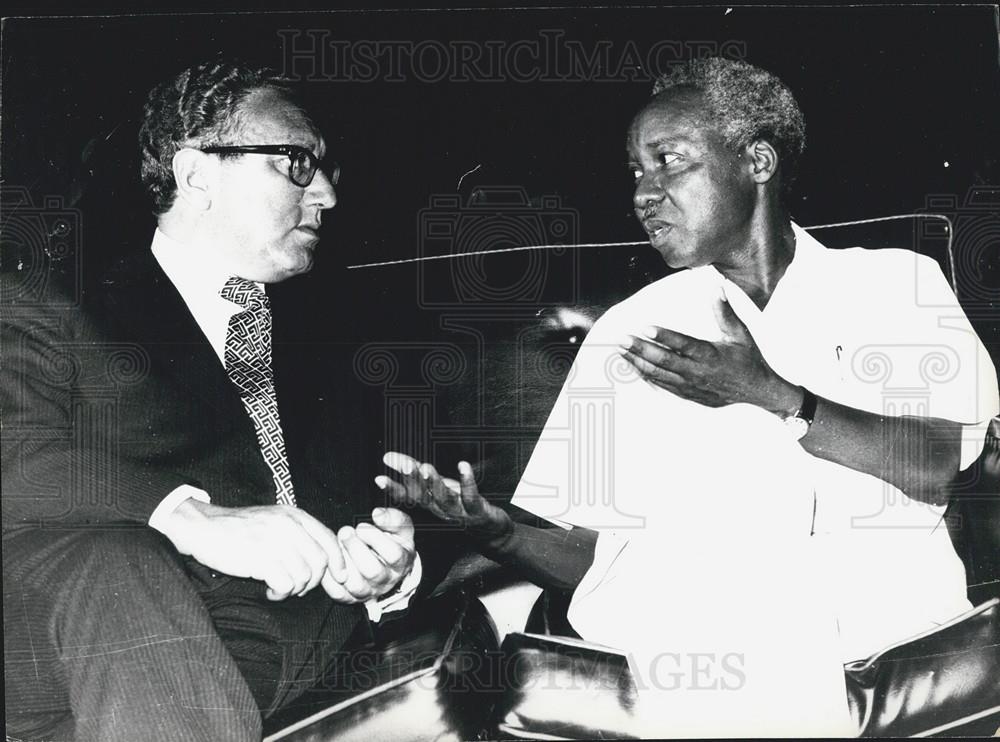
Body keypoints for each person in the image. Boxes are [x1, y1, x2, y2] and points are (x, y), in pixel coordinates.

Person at [380, 56, 999, 736]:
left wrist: (774, 395)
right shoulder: (629, 332)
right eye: (635, 172)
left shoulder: (895, 286)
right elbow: (591, 556)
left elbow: (936, 460)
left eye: (668, 161)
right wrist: (499, 535)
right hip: (701, 669)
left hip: (887, 644)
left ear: (757, 161)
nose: (643, 193)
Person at [3, 59, 424, 742]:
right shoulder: (51, 299)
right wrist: (189, 517)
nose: (325, 195)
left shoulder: (335, 346)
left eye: (327, 170)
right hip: (69, 633)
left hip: (243, 670)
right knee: (116, 565)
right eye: (295, 161)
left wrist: (385, 572)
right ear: (196, 174)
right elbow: (13, 455)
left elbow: (357, 507)